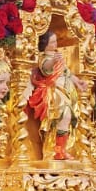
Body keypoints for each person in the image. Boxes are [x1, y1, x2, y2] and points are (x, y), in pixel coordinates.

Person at [28, 31, 81, 161]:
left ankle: (62, 149)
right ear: (45, 44)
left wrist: (78, 82)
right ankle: (56, 150)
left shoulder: (58, 56)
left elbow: (67, 72)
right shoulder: (44, 57)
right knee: (62, 117)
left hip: (66, 91)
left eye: (55, 41)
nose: (55, 44)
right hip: (55, 93)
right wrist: (53, 61)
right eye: (52, 42)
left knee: (68, 118)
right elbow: (46, 69)